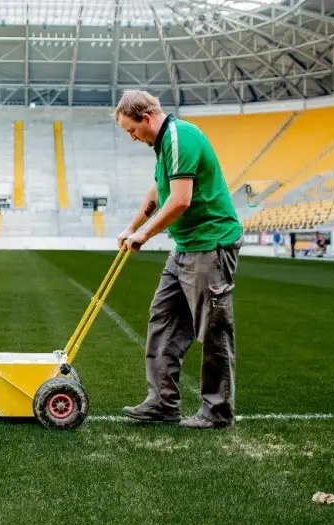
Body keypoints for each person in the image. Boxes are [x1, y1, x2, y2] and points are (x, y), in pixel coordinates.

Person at [113, 90, 244, 429]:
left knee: (213, 330)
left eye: (131, 130)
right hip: (185, 246)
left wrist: (145, 235)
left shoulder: (179, 136)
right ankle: (162, 403)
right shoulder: (162, 147)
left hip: (210, 243)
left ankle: (216, 413)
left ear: (146, 118)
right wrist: (131, 227)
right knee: (164, 318)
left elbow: (181, 200)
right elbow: (159, 192)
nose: (131, 137)